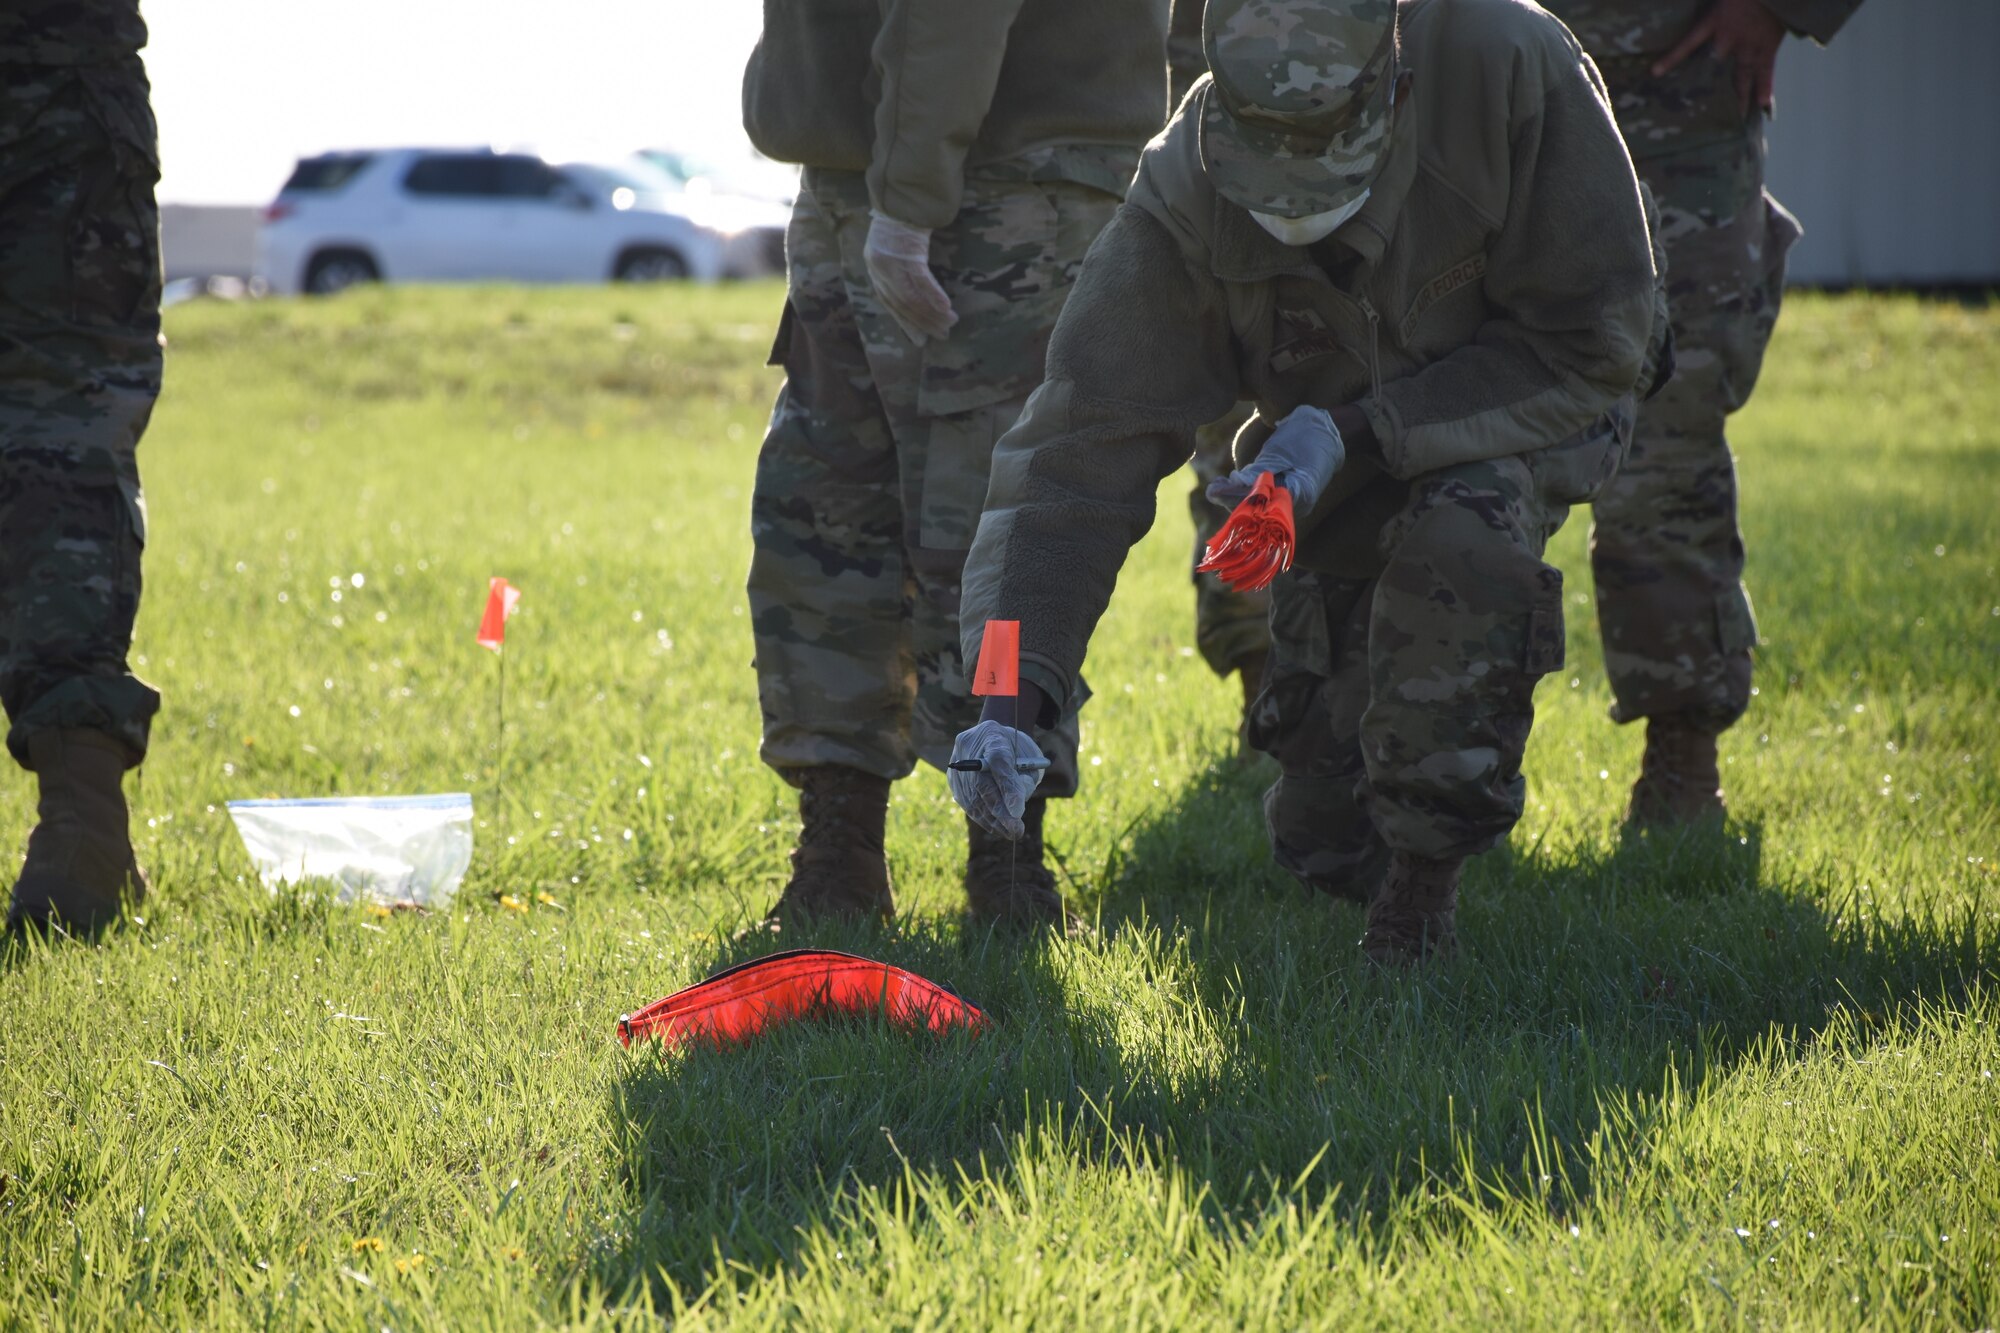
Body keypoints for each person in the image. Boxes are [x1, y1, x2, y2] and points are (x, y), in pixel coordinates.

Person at [949, 0, 1671, 964]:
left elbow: (1598, 343)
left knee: (1463, 532)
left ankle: (1420, 908)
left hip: (1537, 387)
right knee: (1325, 843)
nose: (1291, 214)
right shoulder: (1182, 187)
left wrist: (1360, 430)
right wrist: (1006, 702)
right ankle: (1374, 849)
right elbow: (1068, 462)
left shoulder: (1505, 58)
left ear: (1396, 86)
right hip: (1323, 442)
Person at [740, 0, 1171, 928]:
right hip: (861, 174)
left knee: (988, 525)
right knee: (824, 516)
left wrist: (909, 200)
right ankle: (840, 846)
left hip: (995, 185)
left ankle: (1007, 849)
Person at [1540, 0, 1862, 824]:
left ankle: (1682, 758)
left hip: (1673, 82)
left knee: (1667, 427)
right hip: (1472, 73)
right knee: (1441, 416)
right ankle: (1431, 763)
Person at [2, 0, 163, 935]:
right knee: (60, 426)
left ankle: (82, 833)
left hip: (56, 85)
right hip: (56, 84)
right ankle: (81, 826)